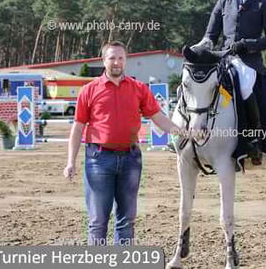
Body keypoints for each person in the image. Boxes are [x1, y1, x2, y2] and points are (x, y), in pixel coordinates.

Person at [63, 40, 184, 246]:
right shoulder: (89, 90)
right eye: (112, 58)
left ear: (126, 60)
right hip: (98, 160)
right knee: (97, 221)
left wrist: (183, 132)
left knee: (126, 221)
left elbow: (158, 118)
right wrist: (70, 162)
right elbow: (78, 127)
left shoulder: (139, 89)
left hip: (131, 160)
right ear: (104, 60)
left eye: (120, 58)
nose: (116, 62)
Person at [193, 0, 266, 165]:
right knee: (200, 83)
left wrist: (247, 44)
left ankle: (254, 139)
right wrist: (199, 48)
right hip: (225, 59)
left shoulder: (264, 3)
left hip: (249, 61)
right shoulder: (224, 2)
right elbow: (210, 36)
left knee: (245, 87)